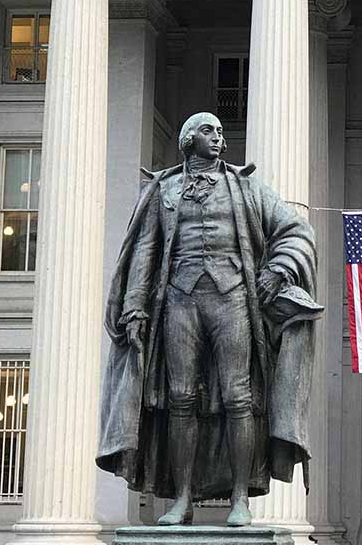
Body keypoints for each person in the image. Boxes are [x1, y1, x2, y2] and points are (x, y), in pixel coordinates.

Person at [96, 112, 322, 527]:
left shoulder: (246, 186)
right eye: (208, 130)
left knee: (239, 397)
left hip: (233, 297)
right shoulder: (163, 189)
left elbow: (296, 230)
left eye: (220, 131)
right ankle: (182, 499)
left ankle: (240, 499)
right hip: (179, 300)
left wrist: (278, 268)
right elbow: (145, 249)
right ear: (187, 140)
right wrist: (134, 305)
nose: (218, 137)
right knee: (181, 398)